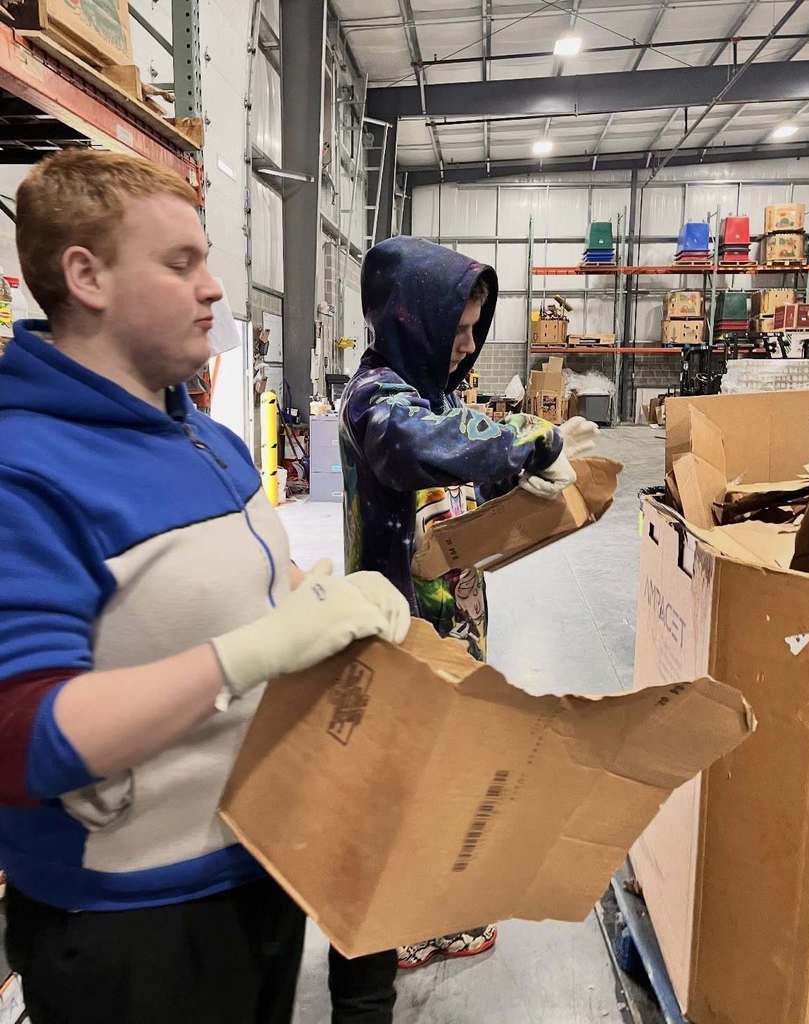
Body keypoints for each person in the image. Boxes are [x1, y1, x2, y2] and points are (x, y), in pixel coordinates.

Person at [0, 148, 411, 1024]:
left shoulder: (205, 441)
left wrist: (322, 602)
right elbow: (19, 736)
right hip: (129, 928)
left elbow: (242, 584)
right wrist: (250, 653)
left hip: (259, 866)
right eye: (181, 263)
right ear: (87, 277)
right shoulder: (23, 472)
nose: (216, 288)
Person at [335, 236, 597, 1017]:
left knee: (454, 754)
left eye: (474, 328)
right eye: (455, 325)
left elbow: (458, 484)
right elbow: (425, 448)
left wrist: (519, 496)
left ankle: (439, 908)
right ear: (410, 317)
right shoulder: (377, 397)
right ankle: (407, 921)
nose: (464, 343)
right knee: (406, 765)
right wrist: (529, 442)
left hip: (453, 613)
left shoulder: (439, 392)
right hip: (400, 621)